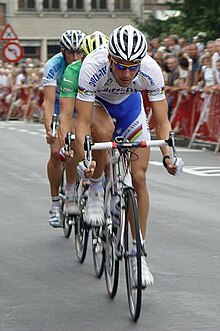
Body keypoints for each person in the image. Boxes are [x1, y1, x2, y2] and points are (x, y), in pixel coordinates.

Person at [74, 25, 179, 288]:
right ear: (110, 59)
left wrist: (168, 154)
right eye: (121, 66)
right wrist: (84, 159)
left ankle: (138, 255)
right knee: (104, 130)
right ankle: (97, 189)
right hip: (99, 103)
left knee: (140, 178)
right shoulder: (92, 67)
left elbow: (163, 121)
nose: (127, 73)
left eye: (133, 67)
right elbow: (82, 123)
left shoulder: (151, 70)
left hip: (130, 106)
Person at [58, 31, 109, 212]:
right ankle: (71, 190)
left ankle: (110, 192)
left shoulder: (111, 68)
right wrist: (64, 139)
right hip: (77, 110)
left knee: (107, 144)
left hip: (101, 109)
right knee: (74, 145)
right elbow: (65, 113)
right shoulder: (73, 71)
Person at [42, 29, 86, 227]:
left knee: (80, 146)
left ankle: (76, 191)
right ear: (63, 52)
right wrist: (49, 128)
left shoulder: (88, 64)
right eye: (71, 53)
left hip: (80, 105)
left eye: (79, 53)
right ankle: (54, 203)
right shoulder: (53, 66)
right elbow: (49, 102)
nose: (76, 58)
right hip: (61, 106)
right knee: (56, 152)